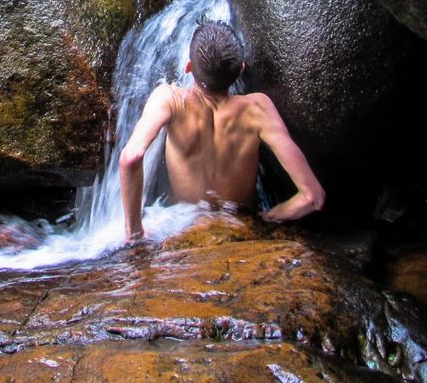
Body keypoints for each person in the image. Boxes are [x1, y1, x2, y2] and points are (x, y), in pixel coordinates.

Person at [119, 20, 325, 242]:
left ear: (188, 67)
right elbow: (313, 197)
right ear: (241, 70)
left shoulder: (170, 100)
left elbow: (130, 158)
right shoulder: (258, 109)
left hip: (184, 229)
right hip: (238, 229)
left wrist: (135, 233)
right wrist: (266, 219)